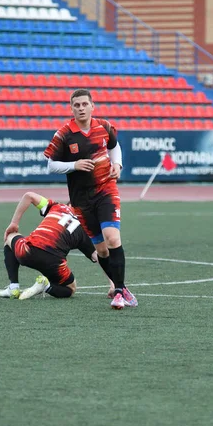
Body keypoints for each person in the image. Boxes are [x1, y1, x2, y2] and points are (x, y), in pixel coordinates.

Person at [43, 89, 137, 310]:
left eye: (85, 104)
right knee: (102, 251)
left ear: (92, 106)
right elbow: (51, 165)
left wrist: (117, 165)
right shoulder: (64, 134)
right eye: (76, 105)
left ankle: (120, 291)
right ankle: (118, 286)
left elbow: (114, 146)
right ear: (71, 108)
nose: (81, 108)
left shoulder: (103, 126)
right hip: (81, 200)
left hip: (106, 189)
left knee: (112, 238)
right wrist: (74, 165)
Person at [0, 191, 98, 300]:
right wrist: (114, 283)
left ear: (69, 204)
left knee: (10, 236)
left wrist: (14, 223)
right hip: (55, 264)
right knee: (71, 289)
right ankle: (46, 286)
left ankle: (13, 287)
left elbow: (29, 196)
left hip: (28, 252)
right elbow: (98, 256)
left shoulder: (57, 206)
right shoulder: (83, 231)